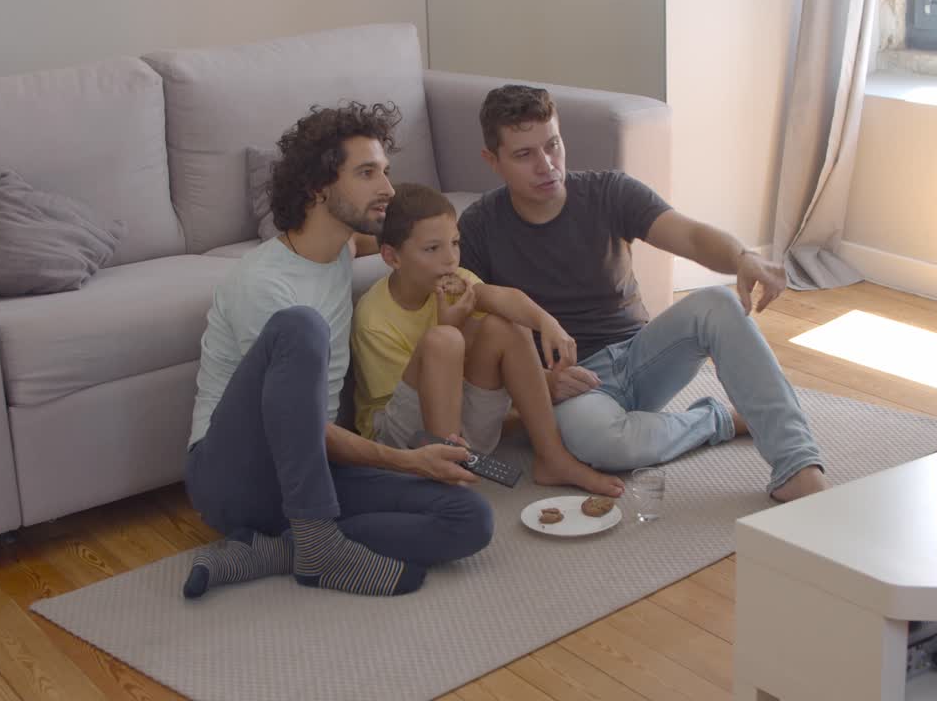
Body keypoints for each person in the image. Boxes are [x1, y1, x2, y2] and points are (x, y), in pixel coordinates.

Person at [458, 85, 831, 502]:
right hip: (572, 386)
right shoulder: (478, 226)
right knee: (600, 443)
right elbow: (475, 338)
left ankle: (796, 466)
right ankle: (719, 420)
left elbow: (688, 234)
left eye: (553, 145)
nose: (547, 165)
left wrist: (742, 257)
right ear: (493, 161)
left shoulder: (608, 192)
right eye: (524, 154)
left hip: (644, 355)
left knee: (720, 303)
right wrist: (539, 382)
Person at [183, 102, 493, 600]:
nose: (388, 189)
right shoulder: (262, 282)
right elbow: (284, 423)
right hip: (237, 473)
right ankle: (316, 540)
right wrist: (406, 461)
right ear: (318, 187)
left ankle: (290, 549)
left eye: (386, 172)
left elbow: (396, 244)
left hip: (313, 473)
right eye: (367, 173)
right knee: (302, 327)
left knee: (470, 518)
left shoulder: (341, 250)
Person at [350, 182, 624, 498]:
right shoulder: (374, 317)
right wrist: (448, 326)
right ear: (392, 257)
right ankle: (446, 481)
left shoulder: (458, 280)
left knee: (508, 326)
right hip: (403, 443)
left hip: (464, 430)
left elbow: (502, 298)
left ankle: (553, 458)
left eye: (455, 243)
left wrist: (547, 323)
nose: (450, 259)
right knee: (445, 340)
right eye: (432, 249)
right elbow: (409, 399)